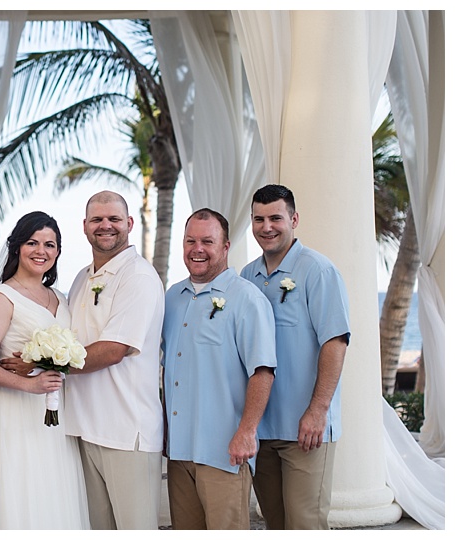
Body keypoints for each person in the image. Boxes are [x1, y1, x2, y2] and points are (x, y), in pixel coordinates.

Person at [0, 211, 90, 529]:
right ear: (17, 247)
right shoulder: (3, 297)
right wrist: (29, 384)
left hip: (54, 415)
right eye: (32, 242)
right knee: (16, 494)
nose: (41, 251)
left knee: (52, 494)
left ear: (58, 251)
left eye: (50, 244)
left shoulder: (61, 297)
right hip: (12, 412)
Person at [240, 184, 350, 530]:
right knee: (275, 522)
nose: (266, 226)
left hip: (305, 429)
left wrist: (317, 412)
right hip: (262, 427)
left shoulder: (317, 270)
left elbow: (335, 342)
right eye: (259, 219)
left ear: (294, 219)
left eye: (276, 217)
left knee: (305, 524)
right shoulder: (246, 276)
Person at [162, 208, 276, 530]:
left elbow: (263, 371)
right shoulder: (172, 298)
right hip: (179, 452)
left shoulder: (247, 300)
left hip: (224, 453)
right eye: (190, 240)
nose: (197, 249)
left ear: (226, 247)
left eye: (207, 241)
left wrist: (246, 432)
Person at [63, 190, 165, 530]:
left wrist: (47, 365)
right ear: (85, 226)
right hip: (84, 428)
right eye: (97, 219)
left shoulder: (138, 276)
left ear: (129, 224)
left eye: (114, 219)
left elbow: (113, 349)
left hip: (126, 431)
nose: (105, 226)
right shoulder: (81, 278)